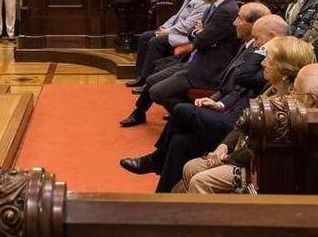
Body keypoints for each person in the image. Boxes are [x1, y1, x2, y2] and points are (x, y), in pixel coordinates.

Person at [121, 12, 288, 193]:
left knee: (181, 110)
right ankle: (163, 198)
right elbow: (238, 90)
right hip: (229, 112)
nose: (255, 43)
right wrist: (219, 103)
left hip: (237, 123)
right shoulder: (259, 51)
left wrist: (262, 50)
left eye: (258, 38)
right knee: (179, 141)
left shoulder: (278, 61)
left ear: (272, 37)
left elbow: (244, 78)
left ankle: (157, 159)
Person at [181, 62, 318, 193]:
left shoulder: (289, 122)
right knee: (192, 169)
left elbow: (262, 162)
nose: (291, 95)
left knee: (201, 181)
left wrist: (225, 159)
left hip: (259, 177)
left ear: (312, 101)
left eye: (296, 92)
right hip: (264, 171)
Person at [121, 0, 242, 126]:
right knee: (151, 79)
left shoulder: (226, 10)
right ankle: (139, 113)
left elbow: (199, 41)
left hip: (209, 70)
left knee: (157, 92)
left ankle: (192, 117)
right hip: (196, 62)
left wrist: (198, 33)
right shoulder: (214, 6)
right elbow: (198, 34)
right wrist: (198, 33)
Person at [127, 0, 209, 89]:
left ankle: (149, 81)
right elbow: (177, 16)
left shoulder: (203, 1)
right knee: (145, 36)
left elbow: (188, 25)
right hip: (175, 31)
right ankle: (141, 76)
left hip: (185, 36)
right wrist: (164, 27)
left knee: (155, 41)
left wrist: (167, 32)